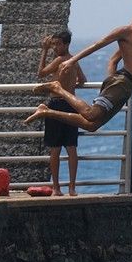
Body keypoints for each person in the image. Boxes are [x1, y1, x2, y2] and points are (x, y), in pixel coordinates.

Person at [24, 4, 132, 132]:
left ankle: (46, 112)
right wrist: (72, 60)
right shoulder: (125, 31)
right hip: (122, 83)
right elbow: (97, 45)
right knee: (91, 114)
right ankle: (56, 88)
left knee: (91, 125)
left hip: (126, 87)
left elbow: (113, 60)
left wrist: (110, 79)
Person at [37, 30, 85, 196]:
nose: (55, 47)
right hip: (72, 104)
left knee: (55, 148)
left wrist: (44, 50)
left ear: (66, 44)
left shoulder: (59, 60)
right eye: (53, 44)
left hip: (57, 104)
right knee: (71, 147)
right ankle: (72, 188)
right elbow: (83, 80)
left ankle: (56, 187)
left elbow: (41, 73)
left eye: (58, 44)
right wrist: (71, 85)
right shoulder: (74, 61)